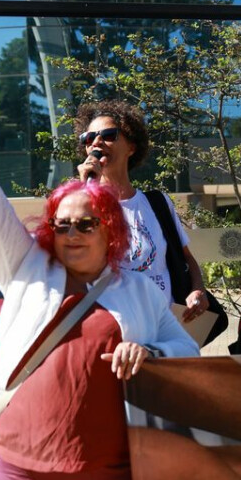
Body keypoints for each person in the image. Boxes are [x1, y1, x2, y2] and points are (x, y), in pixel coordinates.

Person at [0, 96, 198, 480]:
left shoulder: (138, 290)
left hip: (110, 472)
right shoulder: (27, 267)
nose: (72, 233)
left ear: (110, 230)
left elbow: (187, 351)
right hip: (18, 470)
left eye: (86, 223)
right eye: (61, 224)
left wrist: (149, 351)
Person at [76, 100, 226, 344]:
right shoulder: (83, 204)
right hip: (116, 336)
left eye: (108, 135)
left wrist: (197, 290)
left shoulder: (157, 203)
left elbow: (186, 258)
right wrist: (86, 187)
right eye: (89, 137)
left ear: (131, 147)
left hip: (166, 332)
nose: (96, 142)